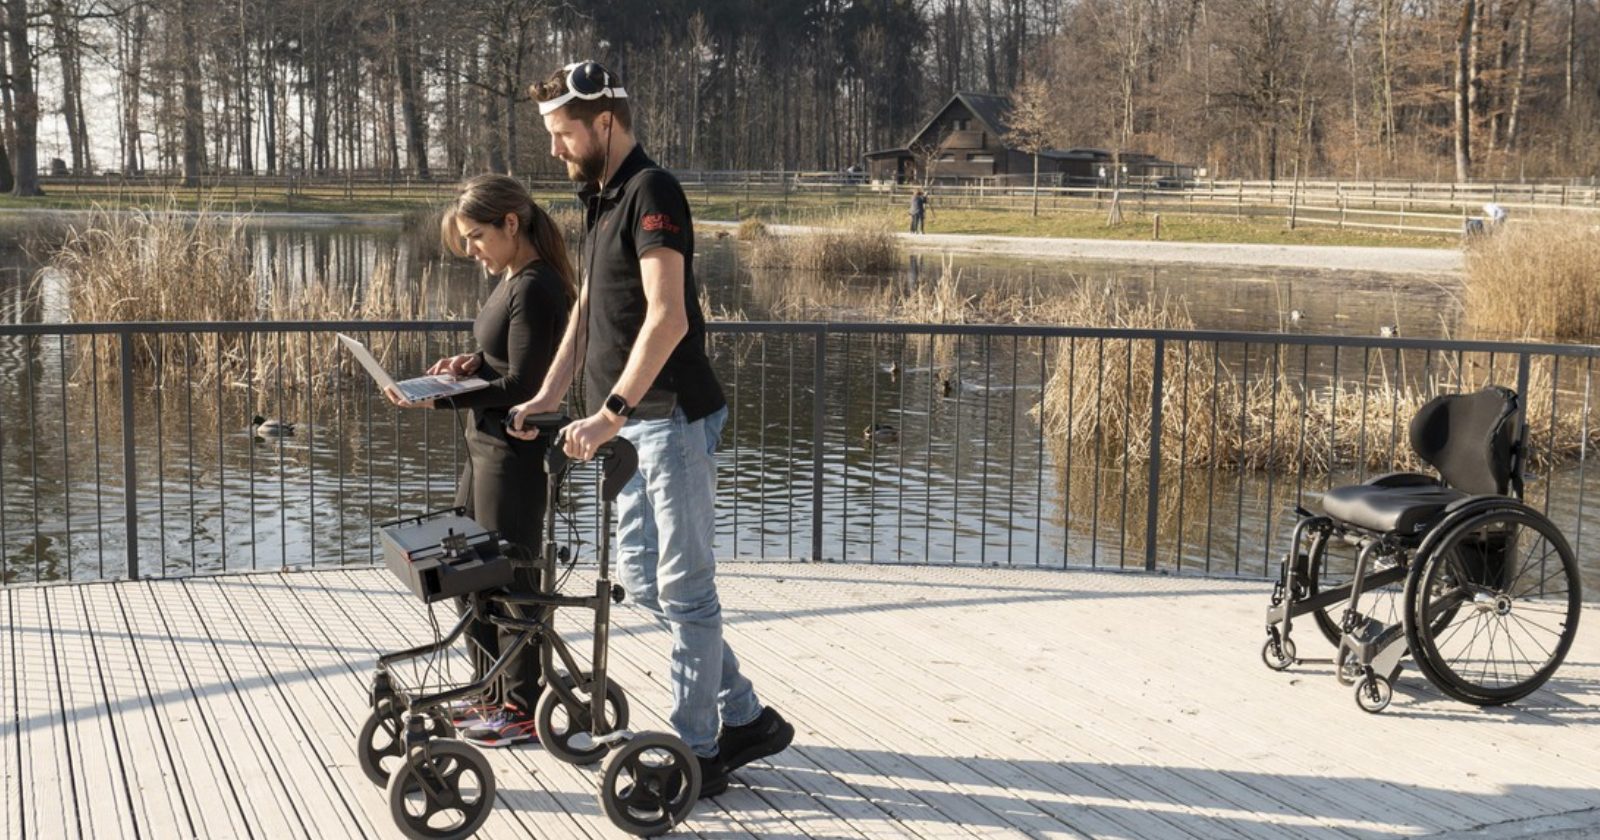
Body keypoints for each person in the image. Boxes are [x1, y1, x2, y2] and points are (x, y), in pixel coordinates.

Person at [507, 60, 792, 798]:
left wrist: (611, 414)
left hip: (668, 417)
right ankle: (746, 716)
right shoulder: (602, 199)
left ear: (605, 122)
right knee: (646, 581)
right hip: (629, 427)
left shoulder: (653, 192)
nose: (556, 148)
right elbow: (588, 314)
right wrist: (550, 395)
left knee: (686, 590)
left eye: (563, 133)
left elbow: (668, 317)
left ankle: (695, 754)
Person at [387, 173, 575, 748]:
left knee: (511, 578)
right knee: (472, 576)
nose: (471, 250)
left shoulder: (538, 285)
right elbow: (504, 363)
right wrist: (469, 364)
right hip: (485, 450)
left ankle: (520, 706)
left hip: (514, 459)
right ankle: (489, 690)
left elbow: (525, 382)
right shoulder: (514, 279)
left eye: (475, 237)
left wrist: (439, 393)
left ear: (510, 225)